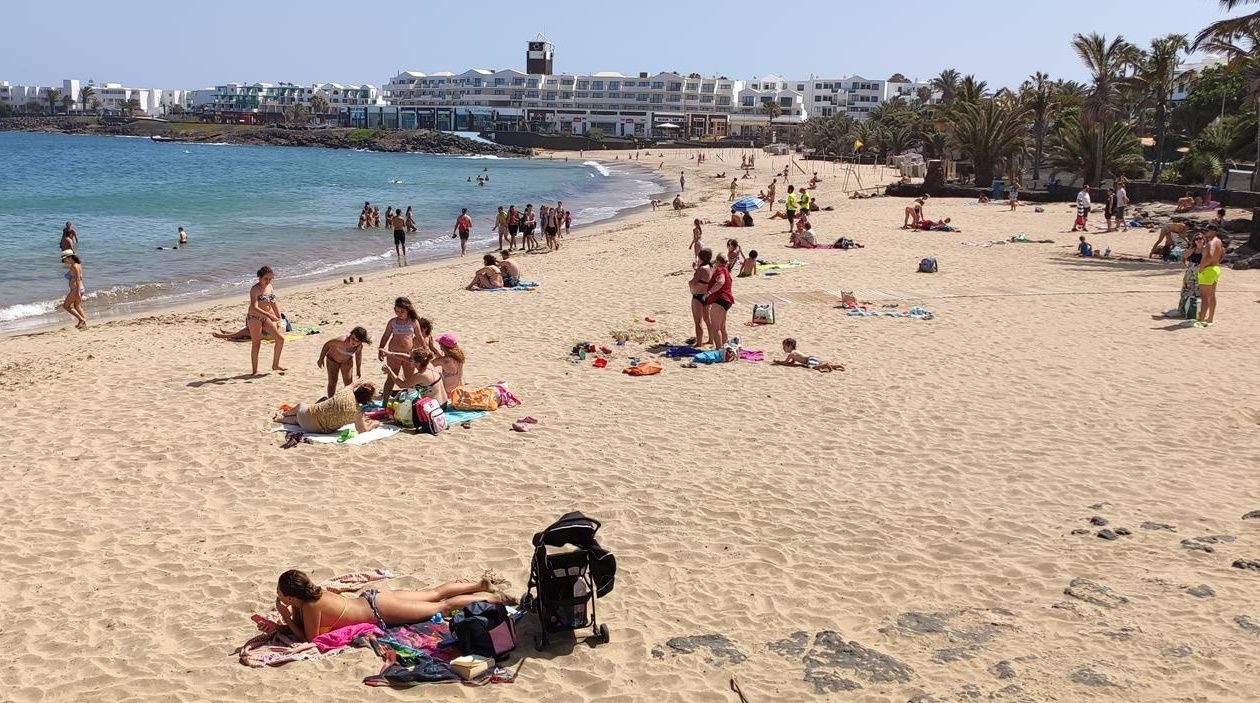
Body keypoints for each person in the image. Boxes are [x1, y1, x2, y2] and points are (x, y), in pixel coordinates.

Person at [272, 570, 513, 641]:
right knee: (434, 593)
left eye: (282, 595)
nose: (279, 597)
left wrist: (287, 618)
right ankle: (480, 585)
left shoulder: (311, 606)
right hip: (375, 598)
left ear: (293, 598)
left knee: (443, 607)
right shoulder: (313, 596)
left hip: (379, 611)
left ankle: (493, 598)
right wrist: (287, 620)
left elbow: (310, 638)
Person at [273, 382, 379, 437]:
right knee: (299, 420)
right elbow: (362, 431)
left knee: (301, 406)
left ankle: (285, 415)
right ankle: (283, 419)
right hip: (315, 429)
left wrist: (359, 382)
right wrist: (373, 424)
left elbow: (351, 385)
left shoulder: (346, 392)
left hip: (306, 415)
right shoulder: (358, 413)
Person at [378, 297, 430, 400]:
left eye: (402, 311)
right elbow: (385, 336)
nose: (399, 313)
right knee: (391, 377)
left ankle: (409, 401)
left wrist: (425, 349)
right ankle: (385, 401)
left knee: (409, 378)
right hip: (393, 353)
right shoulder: (392, 322)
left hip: (408, 354)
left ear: (408, 310)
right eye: (397, 311)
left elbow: (419, 336)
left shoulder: (413, 322)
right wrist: (381, 348)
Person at [247, 266, 286, 375]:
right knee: (256, 343)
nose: (268, 281)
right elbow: (254, 307)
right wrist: (269, 315)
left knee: (280, 339)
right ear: (259, 278)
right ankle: (255, 371)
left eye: (270, 279)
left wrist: (279, 318)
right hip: (254, 318)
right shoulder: (255, 289)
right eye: (266, 279)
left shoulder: (270, 287)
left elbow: (273, 303)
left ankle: (275, 364)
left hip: (266, 317)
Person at [317, 327, 370, 398]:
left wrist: (358, 369)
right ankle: (330, 400)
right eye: (353, 339)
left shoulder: (359, 347)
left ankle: (349, 399)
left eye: (358, 341)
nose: (354, 342)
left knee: (349, 384)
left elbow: (358, 357)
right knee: (332, 382)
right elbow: (327, 345)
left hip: (346, 361)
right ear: (350, 335)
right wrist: (321, 358)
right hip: (332, 360)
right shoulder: (341, 340)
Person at [382, 349, 448, 406]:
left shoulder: (421, 375)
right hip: (444, 403)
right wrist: (390, 354)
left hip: (435, 407)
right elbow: (407, 358)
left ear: (417, 362)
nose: (409, 360)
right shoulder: (428, 364)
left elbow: (401, 384)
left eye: (411, 359)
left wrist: (390, 372)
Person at [704, 253, 734, 349]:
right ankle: (725, 348)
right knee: (722, 328)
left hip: (720, 300)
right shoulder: (727, 271)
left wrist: (709, 292)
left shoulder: (720, 269)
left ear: (717, 261)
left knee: (715, 328)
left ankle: (719, 350)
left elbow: (721, 281)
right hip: (727, 300)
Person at [1196, 223, 1224, 327]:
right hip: (1216, 269)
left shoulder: (1211, 243)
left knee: (1205, 297)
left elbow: (1210, 255)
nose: (1205, 233)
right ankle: (1210, 318)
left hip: (1208, 270)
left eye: (1207, 231)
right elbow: (1222, 253)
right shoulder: (1219, 241)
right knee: (1212, 295)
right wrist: (1216, 262)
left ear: (1214, 231)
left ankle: (1201, 319)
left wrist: (1202, 266)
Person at [688, 248, 714, 347]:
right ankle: (711, 340)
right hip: (707, 296)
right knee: (708, 319)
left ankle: (699, 343)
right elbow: (704, 277)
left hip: (698, 296)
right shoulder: (710, 267)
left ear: (700, 257)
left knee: (698, 321)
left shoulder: (701, 269)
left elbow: (694, 282)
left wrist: (689, 284)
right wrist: (696, 268)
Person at [774, 338, 844, 372]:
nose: (783, 348)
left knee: (813, 367)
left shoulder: (791, 354)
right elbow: (793, 362)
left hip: (809, 360)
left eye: (784, 347)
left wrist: (778, 362)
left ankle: (825, 365)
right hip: (812, 357)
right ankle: (837, 366)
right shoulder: (795, 352)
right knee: (817, 364)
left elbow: (785, 362)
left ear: (790, 346)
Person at [59, 250, 88, 329]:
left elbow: (78, 279)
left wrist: (78, 292)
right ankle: (84, 324)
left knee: (66, 306)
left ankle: (81, 319)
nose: (64, 261)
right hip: (79, 289)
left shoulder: (75, 266)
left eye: (65, 259)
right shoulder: (77, 264)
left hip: (76, 290)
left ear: (70, 257)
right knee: (77, 306)